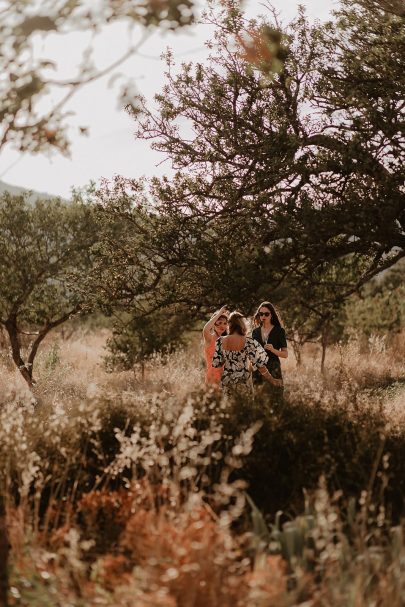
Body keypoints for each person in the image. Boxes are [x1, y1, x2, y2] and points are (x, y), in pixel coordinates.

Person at [212, 311, 282, 396]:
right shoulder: (249, 342)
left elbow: (217, 364)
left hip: (227, 381)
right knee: (244, 408)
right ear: (242, 324)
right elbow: (260, 366)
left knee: (230, 408)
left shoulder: (220, 341)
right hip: (243, 381)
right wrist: (272, 380)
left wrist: (229, 358)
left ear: (229, 325)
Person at [251, 301, 288, 387]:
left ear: (271, 315)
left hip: (273, 368)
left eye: (266, 314)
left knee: (275, 397)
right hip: (258, 370)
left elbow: (285, 354)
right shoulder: (255, 332)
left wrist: (273, 350)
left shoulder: (279, 331)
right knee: (259, 398)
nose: (263, 316)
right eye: (261, 314)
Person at [202, 305, 229, 385]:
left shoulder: (227, 340)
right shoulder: (210, 338)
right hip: (212, 378)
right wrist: (219, 313)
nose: (222, 325)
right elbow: (206, 329)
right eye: (219, 322)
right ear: (214, 324)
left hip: (225, 379)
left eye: (225, 323)